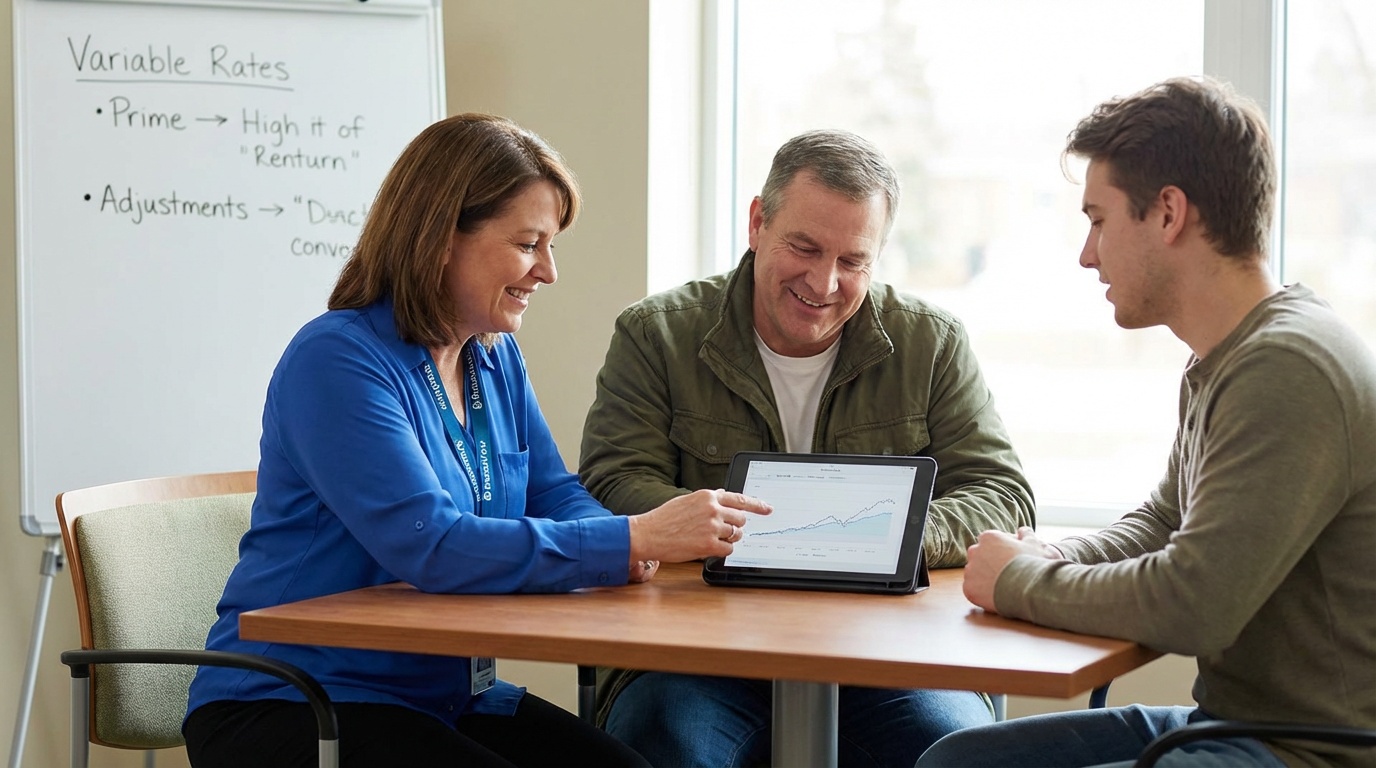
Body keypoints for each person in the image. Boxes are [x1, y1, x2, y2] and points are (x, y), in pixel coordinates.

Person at [182, 113, 771, 768]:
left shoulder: (491, 356)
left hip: (446, 694)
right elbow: (433, 545)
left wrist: (626, 548)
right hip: (297, 700)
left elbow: (553, 493)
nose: (548, 271)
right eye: (528, 244)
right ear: (440, 238)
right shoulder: (337, 361)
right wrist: (631, 538)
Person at [917, 77, 1376, 768]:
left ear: (1167, 213)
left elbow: (1193, 603)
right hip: (1230, 724)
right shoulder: (1227, 357)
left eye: (1099, 220)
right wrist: (1056, 557)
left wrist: (1017, 583)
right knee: (954, 762)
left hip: (1308, 752)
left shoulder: (1288, 367)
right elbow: (1164, 522)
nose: (1087, 253)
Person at [578, 128, 1035, 767]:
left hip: (889, 654)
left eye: (853, 261)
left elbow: (1002, 495)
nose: (824, 282)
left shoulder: (932, 343)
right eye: (805, 248)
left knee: (955, 752)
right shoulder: (656, 335)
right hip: (696, 657)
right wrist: (753, 532)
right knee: (667, 745)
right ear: (757, 222)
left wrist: (890, 534)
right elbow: (609, 484)